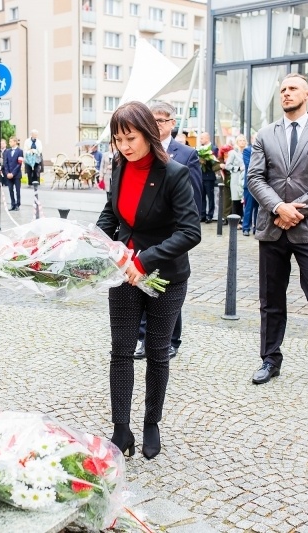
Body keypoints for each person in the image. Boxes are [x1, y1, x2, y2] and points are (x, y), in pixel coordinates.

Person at [96, 101, 201, 459]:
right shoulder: (119, 167)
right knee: (121, 351)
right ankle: (121, 429)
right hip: (124, 273)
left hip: (165, 276)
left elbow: (190, 232)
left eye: (131, 138)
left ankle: (151, 422)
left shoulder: (174, 173)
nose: (124, 146)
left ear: (147, 133)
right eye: (118, 139)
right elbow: (111, 214)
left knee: (157, 352)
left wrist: (145, 260)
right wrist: (89, 245)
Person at [247, 73, 308, 387]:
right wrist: (278, 207)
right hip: (273, 228)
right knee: (270, 299)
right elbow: (255, 179)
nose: (286, 93)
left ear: (307, 94)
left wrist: (295, 210)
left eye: (292, 89)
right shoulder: (264, 135)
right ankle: (270, 360)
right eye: (283, 89)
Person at [132, 101, 203, 361]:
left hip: (173, 234)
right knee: (142, 283)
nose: (156, 124)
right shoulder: (140, 151)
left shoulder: (185, 154)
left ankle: (172, 339)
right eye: (152, 120)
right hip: (144, 233)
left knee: (170, 285)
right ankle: (142, 338)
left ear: (172, 123)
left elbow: (194, 196)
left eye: (162, 120)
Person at [197, 132, 218, 223]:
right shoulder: (199, 149)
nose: (200, 140)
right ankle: (202, 215)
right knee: (202, 196)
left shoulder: (213, 148)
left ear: (207, 138)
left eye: (202, 138)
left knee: (210, 197)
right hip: (201, 176)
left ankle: (210, 215)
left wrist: (206, 161)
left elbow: (215, 162)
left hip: (209, 176)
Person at [3, 137, 24, 210]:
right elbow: (5, 163)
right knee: (10, 190)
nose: (9, 143)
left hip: (16, 174)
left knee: (17, 190)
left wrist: (13, 173)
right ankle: (13, 204)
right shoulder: (7, 151)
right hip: (9, 174)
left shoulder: (20, 151)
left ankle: (18, 204)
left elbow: (19, 163)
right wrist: (7, 173)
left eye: (11, 141)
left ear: (15, 142)